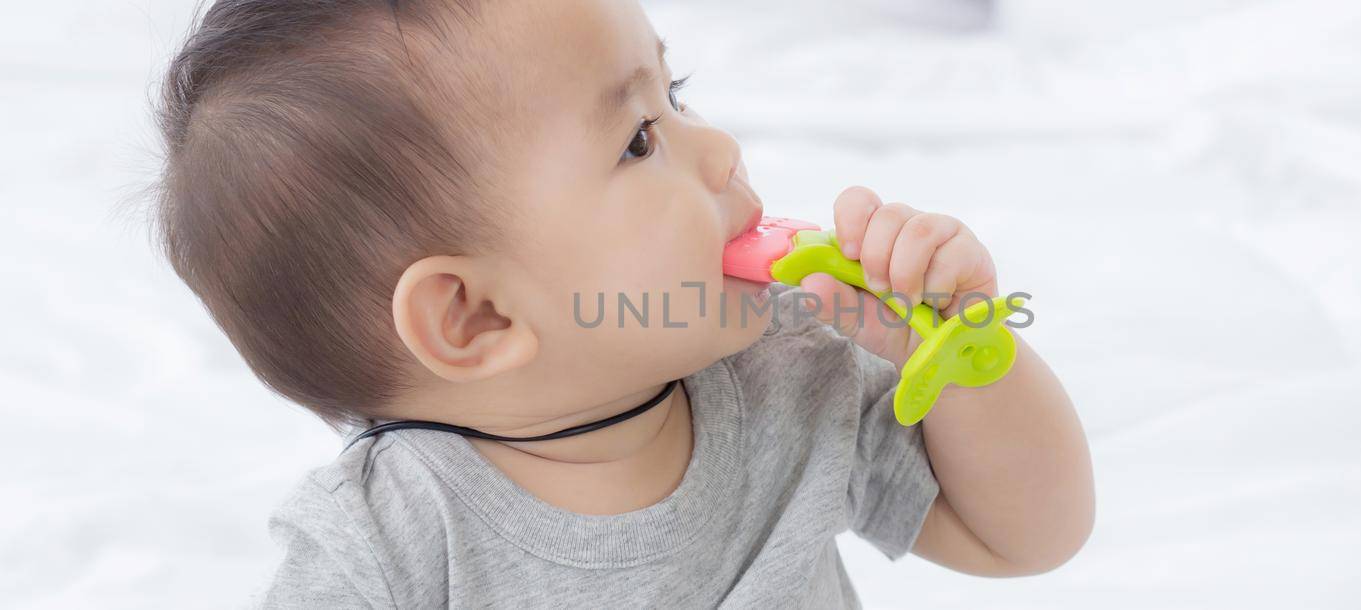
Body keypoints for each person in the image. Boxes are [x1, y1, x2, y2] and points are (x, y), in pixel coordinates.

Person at [148, 0, 1094, 606]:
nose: (720, 147)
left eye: (676, 93)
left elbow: (1020, 539)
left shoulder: (795, 377)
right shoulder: (385, 547)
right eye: (642, 138)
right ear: (475, 318)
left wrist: (964, 353)